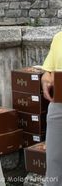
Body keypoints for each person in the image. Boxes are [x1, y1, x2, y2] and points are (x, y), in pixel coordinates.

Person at [41, 31, 62, 186]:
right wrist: (46, 80)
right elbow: (48, 72)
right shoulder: (59, 38)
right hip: (59, 106)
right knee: (54, 161)